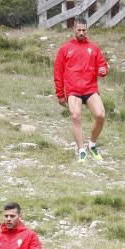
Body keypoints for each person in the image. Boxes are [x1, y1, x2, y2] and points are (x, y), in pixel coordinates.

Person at [53, 16, 109, 162]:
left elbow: (102, 65)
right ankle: (81, 150)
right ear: (74, 29)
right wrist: (60, 93)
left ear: (87, 29)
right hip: (73, 90)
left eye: (84, 30)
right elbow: (58, 72)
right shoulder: (65, 48)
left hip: (90, 88)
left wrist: (103, 70)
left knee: (100, 115)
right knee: (76, 115)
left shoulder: (94, 47)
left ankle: (92, 144)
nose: (82, 32)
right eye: (79, 30)